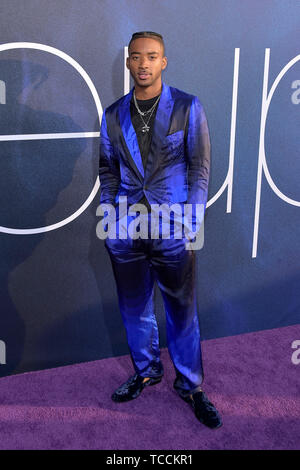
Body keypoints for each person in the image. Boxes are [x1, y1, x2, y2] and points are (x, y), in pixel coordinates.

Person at [99, 31, 222, 429]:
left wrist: (191, 221)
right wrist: (109, 218)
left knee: (182, 311)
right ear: (129, 63)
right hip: (126, 230)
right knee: (134, 309)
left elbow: (199, 168)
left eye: (152, 56)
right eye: (137, 57)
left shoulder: (188, 107)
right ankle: (146, 370)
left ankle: (190, 385)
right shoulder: (113, 113)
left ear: (163, 62)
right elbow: (107, 171)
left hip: (173, 229)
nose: (144, 64)